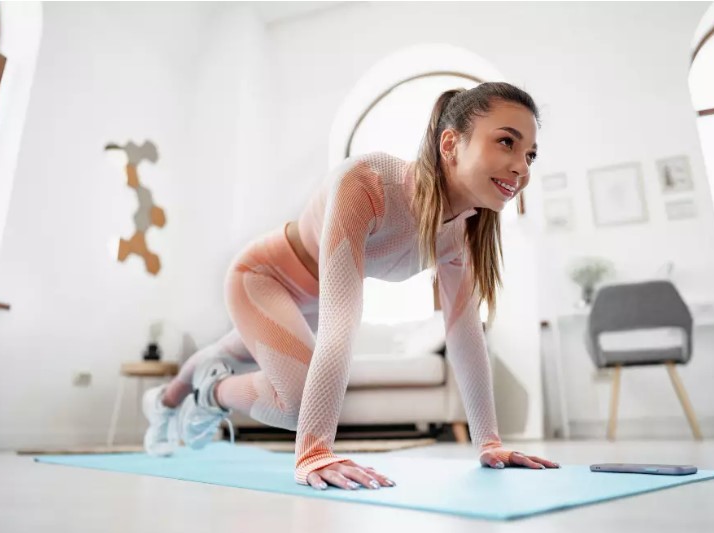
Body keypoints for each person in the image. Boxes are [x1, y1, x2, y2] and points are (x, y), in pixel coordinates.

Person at [142, 81, 559, 491]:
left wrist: (489, 442)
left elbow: (465, 336)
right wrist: (313, 451)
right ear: (450, 145)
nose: (522, 167)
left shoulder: (462, 233)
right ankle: (208, 394)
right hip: (263, 278)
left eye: (531, 155)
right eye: (507, 142)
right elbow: (342, 319)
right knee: (296, 404)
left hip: (310, 301)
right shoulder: (368, 182)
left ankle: (164, 400)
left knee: (231, 352)